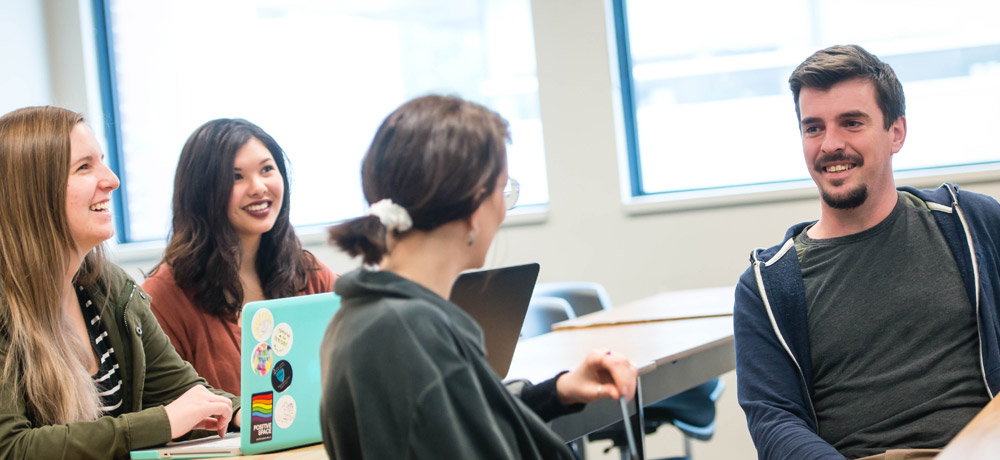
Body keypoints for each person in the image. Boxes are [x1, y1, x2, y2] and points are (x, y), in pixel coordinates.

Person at [321, 95, 638, 459]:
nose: (504, 210)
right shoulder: (412, 334)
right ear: (474, 207)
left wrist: (558, 391)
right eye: (502, 189)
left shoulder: (368, 318)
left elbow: (464, 421)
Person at [734, 44, 1000, 460]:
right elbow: (773, 420)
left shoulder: (971, 223)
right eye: (814, 128)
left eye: (851, 123)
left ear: (896, 132)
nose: (830, 145)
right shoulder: (767, 286)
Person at [0, 106, 240, 459]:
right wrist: (159, 424)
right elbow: (11, 448)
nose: (111, 179)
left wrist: (241, 411)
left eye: (102, 161)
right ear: (33, 193)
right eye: (84, 167)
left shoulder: (106, 287)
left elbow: (182, 391)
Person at [143, 119, 337, 396]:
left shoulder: (308, 271)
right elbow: (166, 408)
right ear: (202, 192)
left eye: (267, 169)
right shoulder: (164, 297)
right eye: (236, 177)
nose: (258, 187)